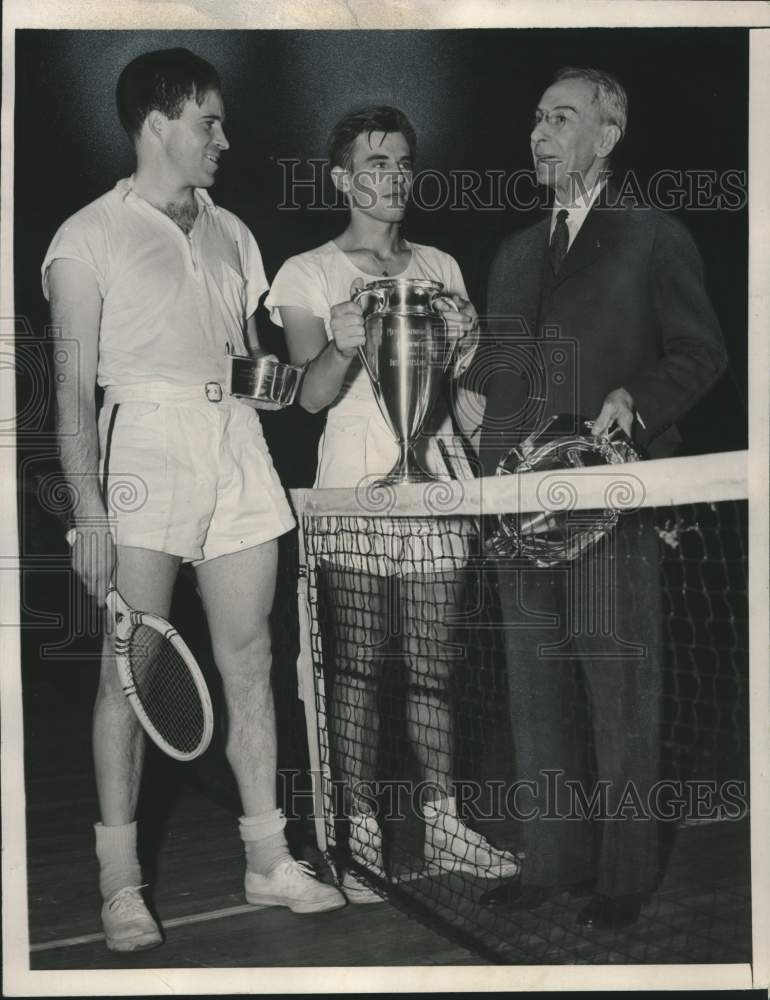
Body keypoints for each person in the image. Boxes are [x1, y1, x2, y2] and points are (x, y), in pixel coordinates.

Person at [43, 47, 345, 953]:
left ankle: (266, 856)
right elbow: (68, 390)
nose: (224, 137)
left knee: (251, 656)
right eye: (209, 120)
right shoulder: (85, 236)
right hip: (142, 445)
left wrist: (329, 359)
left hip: (236, 446)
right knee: (126, 675)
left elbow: (261, 374)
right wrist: (87, 512)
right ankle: (120, 881)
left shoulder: (234, 233)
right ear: (158, 123)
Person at [474, 67, 727, 930]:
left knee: (621, 690)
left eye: (563, 118)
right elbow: (497, 381)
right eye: (537, 117)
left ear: (608, 135)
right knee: (532, 693)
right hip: (516, 508)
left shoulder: (654, 234)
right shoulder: (512, 254)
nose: (541, 133)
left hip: (611, 500)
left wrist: (640, 403)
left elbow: (701, 353)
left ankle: (622, 875)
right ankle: (550, 860)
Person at [265, 105, 520, 903]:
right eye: (377, 164)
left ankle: (445, 824)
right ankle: (359, 832)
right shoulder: (306, 271)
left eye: (404, 163)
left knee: (434, 667)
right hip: (351, 489)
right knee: (357, 666)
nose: (395, 178)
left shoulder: (441, 264)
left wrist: (476, 351)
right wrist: (340, 343)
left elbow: (466, 390)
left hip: (435, 483)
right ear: (343, 178)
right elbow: (308, 399)